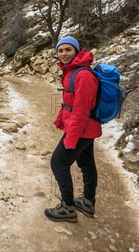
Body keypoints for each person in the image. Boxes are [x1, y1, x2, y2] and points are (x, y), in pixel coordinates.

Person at [44, 36, 101, 223]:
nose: (63, 54)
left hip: (82, 128)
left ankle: (68, 207)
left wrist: (71, 137)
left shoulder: (83, 75)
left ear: (77, 50)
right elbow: (69, 101)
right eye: (60, 51)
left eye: (68, 49)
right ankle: (87, 202)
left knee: (58, 163)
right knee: (86, 163)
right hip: (85, 128)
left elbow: (82, 111)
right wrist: (60, 119)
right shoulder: (72, 72)